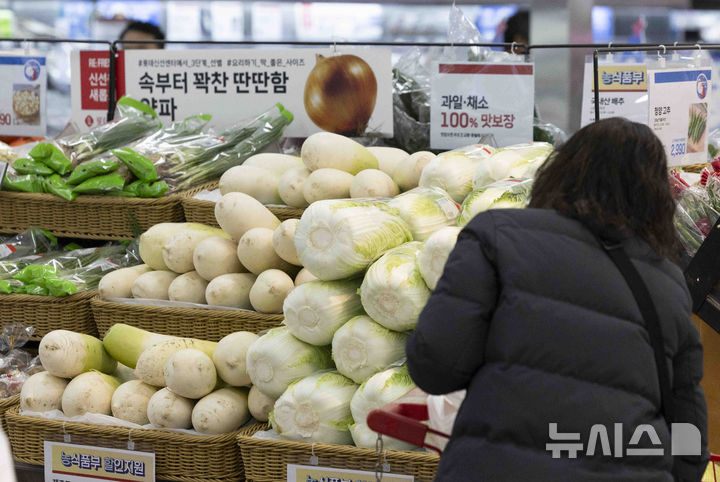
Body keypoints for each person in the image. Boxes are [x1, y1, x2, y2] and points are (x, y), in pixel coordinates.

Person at [406, 117, 708, 481]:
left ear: (560, 171)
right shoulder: (669, 285)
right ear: (657, 199)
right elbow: (689, 438)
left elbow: (436, 366)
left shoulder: (497, 237)